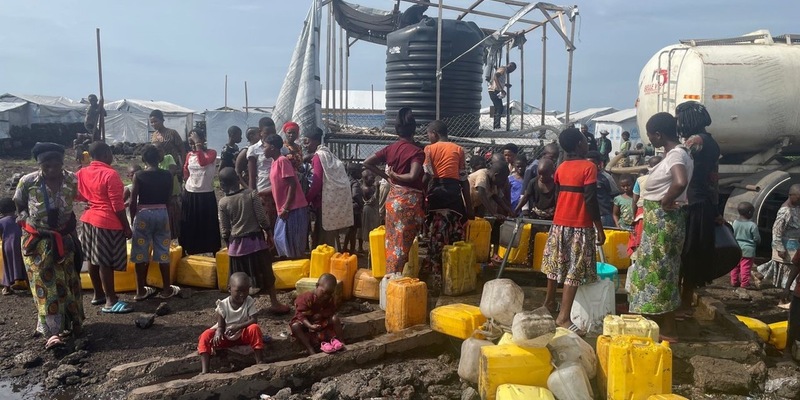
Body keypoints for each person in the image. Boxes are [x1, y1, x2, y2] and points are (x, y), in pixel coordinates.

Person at [628, 112, 693, 343]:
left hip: (663, 221)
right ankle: (656, 323)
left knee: (660, 273)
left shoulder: (676, 154)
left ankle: (668, 329)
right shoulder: (679, 152)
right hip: (660, 222)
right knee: (657, 272)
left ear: (658, 134)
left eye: (650, 135)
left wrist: (665, 201)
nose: (649, 140)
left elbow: (680, 181)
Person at [15, 143, 84, 349]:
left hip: (65, 239)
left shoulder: (72, 178)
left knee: (69, 281)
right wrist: (35, 228)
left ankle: (72, 323)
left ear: (63, 164)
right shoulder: (27, 182)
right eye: (47, 166)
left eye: (57, 165)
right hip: (38, 241)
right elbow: (19, 208)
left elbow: (73, 205)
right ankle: (52, 333)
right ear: (39, 165)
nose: (53, 170)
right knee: (45, 285)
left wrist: (69, 230)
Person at [541, 128, 605, 336]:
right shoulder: (589, 167)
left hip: (559, 224)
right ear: (579, 144)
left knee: (555, 264)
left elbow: (560, 195)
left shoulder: (561, 167)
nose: (587, 144)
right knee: (574, 271)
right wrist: (599, 228)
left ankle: (549, 303)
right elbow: (590, 200)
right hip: (580, 225)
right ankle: (564, 317)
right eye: (585, 141)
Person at [218, 168, 290, 312]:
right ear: (238, 180)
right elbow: (262, 218)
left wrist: (229, 244)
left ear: (222, 185)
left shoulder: (223, 202)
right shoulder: (251, 195)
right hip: (256, 243)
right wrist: (269, 233)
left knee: (238, 282)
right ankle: (274, 303)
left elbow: (225, 229)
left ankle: (240, 310)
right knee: (268, 276)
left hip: (236, 248)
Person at [364, 108, 425, 276]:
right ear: (414, 130)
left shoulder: (390, 149)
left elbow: (367, 162)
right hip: (409, 202)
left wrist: (388, 177)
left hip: (393, 200)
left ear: (397, 130)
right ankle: (393, 279)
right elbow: (413, 175)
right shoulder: (417, 152)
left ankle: (391, 276)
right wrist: (396, 176)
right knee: (402, 245)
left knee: (393, 242)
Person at [676, 101, 722, 319]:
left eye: (680, 120)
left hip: (690, 203)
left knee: (682, 253)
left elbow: (676, 164)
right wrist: (716, 209)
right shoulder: (712, 143)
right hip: (703, 203)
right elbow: (714, 180)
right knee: (692, 255)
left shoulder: (694, 142)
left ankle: (679, 303)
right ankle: (685, 301)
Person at [76, 141, 133, 314]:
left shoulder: (82, 172)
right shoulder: (110, 174)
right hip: (107, 222)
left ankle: (98, 294)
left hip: (88, 220)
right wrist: (126, 227)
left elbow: (76, 194)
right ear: (107, 153)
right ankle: (111, 300)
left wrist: (89, 202)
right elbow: (117, 205)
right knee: (105, 261)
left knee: (92, 258)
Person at [421, 120, 472, 292]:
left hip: (438, 196)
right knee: (454, 237)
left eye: (428, 134)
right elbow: (464, 181)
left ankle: (436, 278)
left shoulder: (429, 149)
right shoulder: (459, 150)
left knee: (436, 238)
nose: (428, 137)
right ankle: (453, 277)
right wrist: (469, 207)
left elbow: (427, 175)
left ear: (434, 133)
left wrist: (421, 196)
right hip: (455, 198)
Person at [129, 144, 179, 300]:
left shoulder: (139, 175)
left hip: (143, 214)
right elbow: (169, 198)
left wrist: (132, 219)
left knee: (140, 253)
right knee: (163, 251)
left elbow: (132, 201)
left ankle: (140, 291)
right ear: (159, 158)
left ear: (144, 159)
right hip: (162, 213)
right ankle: (166, 289)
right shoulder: (168, 175)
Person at [198, 272, 264, 374]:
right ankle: (205, 370)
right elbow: (220, 326)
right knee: (205, 335)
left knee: (254, 328)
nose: (242, 294)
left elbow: (253, 320)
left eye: (245, 290)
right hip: (226, 335)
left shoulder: (249, 301)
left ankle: (259, 361)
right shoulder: (223, 305)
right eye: (238, 291)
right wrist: (218, 333)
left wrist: (238, 326)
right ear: (229, 289)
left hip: (242, 335)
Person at [303, 128, 353, 248]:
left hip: (324, 201)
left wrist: (307, 199)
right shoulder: (327, 153)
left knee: (323, 231)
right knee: (330, 229)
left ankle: (325, 256)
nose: (305, 145)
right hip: (332, 199)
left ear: (315, 141)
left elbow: (317, 182)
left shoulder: (318, 157)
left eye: (307, 142)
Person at [265, 134, 309, 259]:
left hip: (292, 208)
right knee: (281, 240)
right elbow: (277, 185)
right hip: (285, 209)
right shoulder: (274, 162)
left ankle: (295, 267)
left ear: (272, 147)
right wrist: (260, 193)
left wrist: (286, 208)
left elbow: (292, 184)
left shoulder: (282, 161)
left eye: (265, 146)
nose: (263, 149)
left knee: (290, 243)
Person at [180, 128, 221, 255]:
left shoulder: (212, 153)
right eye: (190, 142)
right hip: (191, 193)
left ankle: (212, 251)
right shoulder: (189, 155)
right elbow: (186, 171)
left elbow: (203, 163)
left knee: (208, 224)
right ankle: (190, 250)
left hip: (205, 194)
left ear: (202, 140)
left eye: (195, 142)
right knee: (190, 223)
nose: (192, 145)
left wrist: (198, 145)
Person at [290, 273, 345, 355]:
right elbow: (300, 315)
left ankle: (341, 341)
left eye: (329, 294)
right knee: (295, 326)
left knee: (335, 319)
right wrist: (310, 325)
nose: (326, 296)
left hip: (320, 322)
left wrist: (322, 315)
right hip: (306, 324)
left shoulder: (329, 299)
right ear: (317, 286)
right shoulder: (306, 298)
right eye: (324, 292)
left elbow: (331, 310)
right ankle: (309, 348)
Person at [764, 185, 800, 309]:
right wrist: (779, 248)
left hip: (795, 245)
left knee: (792, 273)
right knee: (789, 274)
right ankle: (784, 299)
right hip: (787, 247)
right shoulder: (785, 211)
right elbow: (776, 231)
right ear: (791, 196)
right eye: (798, 197)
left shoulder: (796, 207)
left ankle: (786, 298)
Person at [628, 156, 663, 260]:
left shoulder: (640, 180)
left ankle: (638, 263)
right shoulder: (666, 178)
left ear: (649, 167)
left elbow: (634, 200)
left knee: (640, 241)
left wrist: (633, 217)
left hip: (641, 214)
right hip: (659, 213)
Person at [248, 118, 278, 221]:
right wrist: (252, 195)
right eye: (267, 133)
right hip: (263, 190)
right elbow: (252, 175)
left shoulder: (281, 148)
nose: (270, 135)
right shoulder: (254, 149)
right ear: (260, 132)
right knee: (266, 221)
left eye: (273, 132)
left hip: (279, 190)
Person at [731, 202, 760, 289]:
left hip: (736, 248)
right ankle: (744, 283)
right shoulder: (752, 225)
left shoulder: (735, 222)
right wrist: (758, 242)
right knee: (745, 267)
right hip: (748, 250)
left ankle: (734, 281)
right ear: (750, 213)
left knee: (734, 265)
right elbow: (756, 238)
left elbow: (732, 234)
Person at [156, 143, 182, 241]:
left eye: (160, 150)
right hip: (161, 199)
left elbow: (172, 171)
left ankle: (181, 249)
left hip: (172, 196)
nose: (158, 153)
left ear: (163, 151)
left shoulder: (168, 158)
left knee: (176, 222)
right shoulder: (152, 164)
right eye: (156, 151)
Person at [0, 197, 26, 295]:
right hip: (21, 244)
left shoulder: (2, 222)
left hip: (7, 247)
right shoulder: (19, 219)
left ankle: (7, 288)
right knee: (23, 265)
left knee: (6, 266)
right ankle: (29, 285)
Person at [586, 151, 614, 227]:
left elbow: (615, 196)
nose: (589, 166)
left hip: (603, 216)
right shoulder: (583, 176)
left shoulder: (606, 177)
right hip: (586, 217)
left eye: (592, 163)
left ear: (599, 163)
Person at [488, 62, 516, 130]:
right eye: (512, 70)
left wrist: (505, 85)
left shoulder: (504, 71)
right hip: (494, 90)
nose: (511, 72)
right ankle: (497, 127)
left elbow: (499, 80)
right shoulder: (503, 69)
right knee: (499, 108)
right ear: (510, 66)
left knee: (498, 108)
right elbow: (495, 76)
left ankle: (496, 126)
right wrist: (501, 89)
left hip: (494, 90)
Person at [345, 163, 365, 254]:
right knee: (353, 231)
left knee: (349, 230)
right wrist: (361, 204)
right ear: (353, 173)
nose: (361, 174)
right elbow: (356, 195)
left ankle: (345, 248)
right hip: (355, 209)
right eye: (359, 172)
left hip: (348, 207)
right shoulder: (355, 183)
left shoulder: (346, 180)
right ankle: (352, 250)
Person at [360, 169, 381, 245]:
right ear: (365, 179)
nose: (373, 180)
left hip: (370, 209)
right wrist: (377, 188)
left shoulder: (366, 186)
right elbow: (374, 199)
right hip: (369, 209)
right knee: (371, 227)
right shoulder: (366, 189)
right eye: (371, 178)